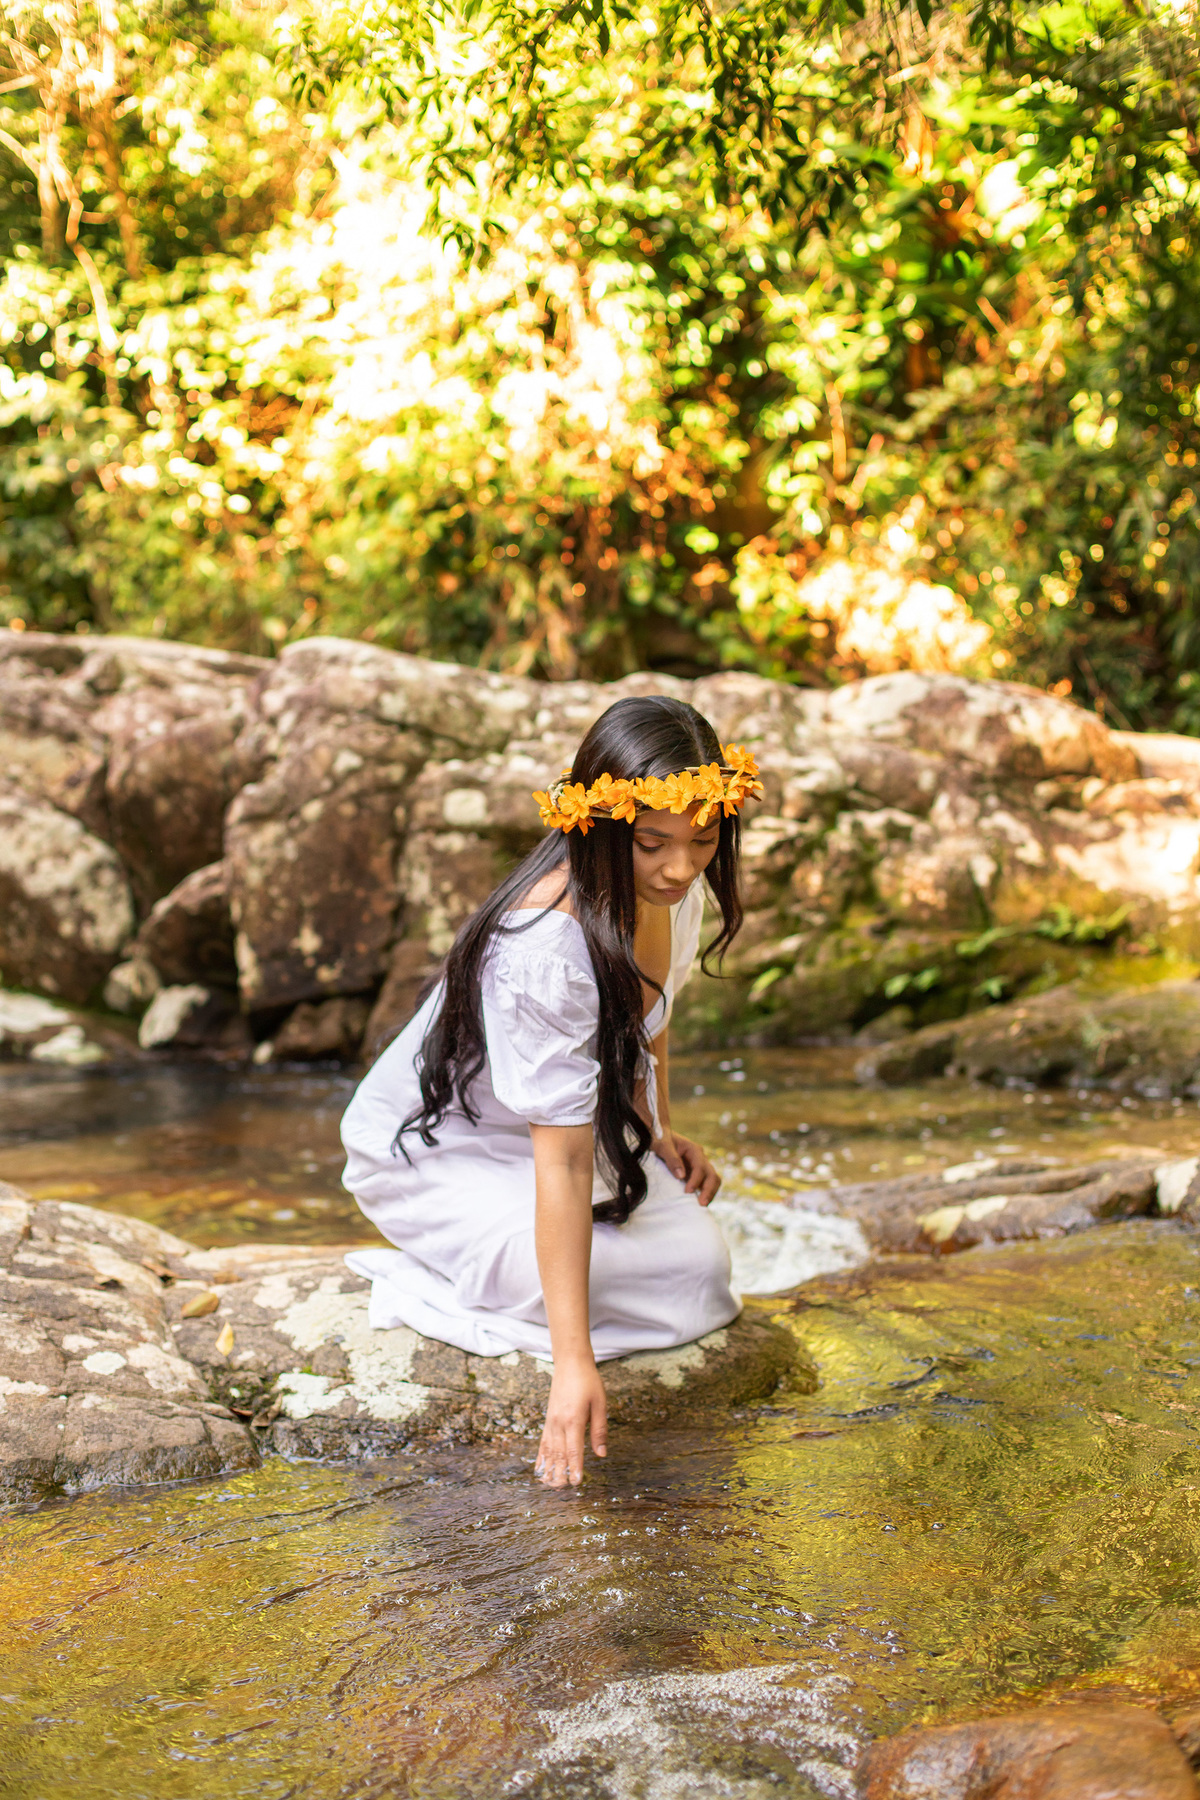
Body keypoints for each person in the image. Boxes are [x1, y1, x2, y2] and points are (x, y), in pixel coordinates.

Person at [340, 695, 762, 1487]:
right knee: (616, 1283)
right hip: (445, 1148)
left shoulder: (674, 889)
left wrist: (654, 1127)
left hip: (563, 1132)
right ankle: (450, 1263)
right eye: (653, 844)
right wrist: (573, 1368)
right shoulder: (543, 942)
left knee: (702, 1268)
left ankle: (514, 1267)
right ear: (600, 828)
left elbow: (651, 1014)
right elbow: (562, 1168)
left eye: (704, 841)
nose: (681, 867)